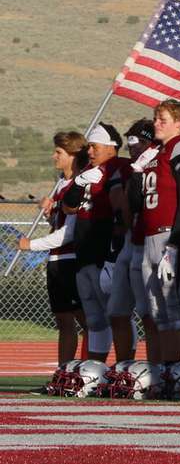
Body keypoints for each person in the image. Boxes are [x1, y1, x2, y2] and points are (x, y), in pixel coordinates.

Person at [18, 131, 88, 366]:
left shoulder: (78, 186)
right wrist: (50, 214)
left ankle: (89, 369)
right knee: (63, 319)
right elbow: (58, 225)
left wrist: (31, 245)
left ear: (72, 155)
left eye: (59, 152)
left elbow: (69, 233)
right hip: (57, 261)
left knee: (85, 318)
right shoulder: (60, 185)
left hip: (73, 259)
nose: (53, 156)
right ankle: (64, 371)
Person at [141, 99, 180, 364]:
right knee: (158, 309)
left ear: (179, 122)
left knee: (176, 304)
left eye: (162, 119)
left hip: (171, 234)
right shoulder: (157, 150)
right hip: (150, 234)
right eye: (155, 118)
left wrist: (176, 240)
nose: (156, 123)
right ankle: (167, 368)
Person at [63, 123, 128, 362]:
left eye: (94, 146)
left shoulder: (117, 169)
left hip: (104, 253)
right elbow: (68, 207)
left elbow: (121, 213)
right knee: (94, 319)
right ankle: (97, 368)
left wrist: (113, 254)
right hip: (84, 253)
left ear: (110, 147)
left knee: (116, 314)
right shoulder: (87, 171)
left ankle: (123, 367)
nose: (89, 151)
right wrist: (79, 183)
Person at [106, 120, 157, 363]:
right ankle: (124, 365)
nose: (130, 147)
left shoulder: (158, 166)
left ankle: (159, 366)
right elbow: (121, 208)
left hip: (149, 242)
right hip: (129, 241)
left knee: (150, 313)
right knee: (116, 311)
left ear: (149, 143)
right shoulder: (126, 169)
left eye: (135, 141)